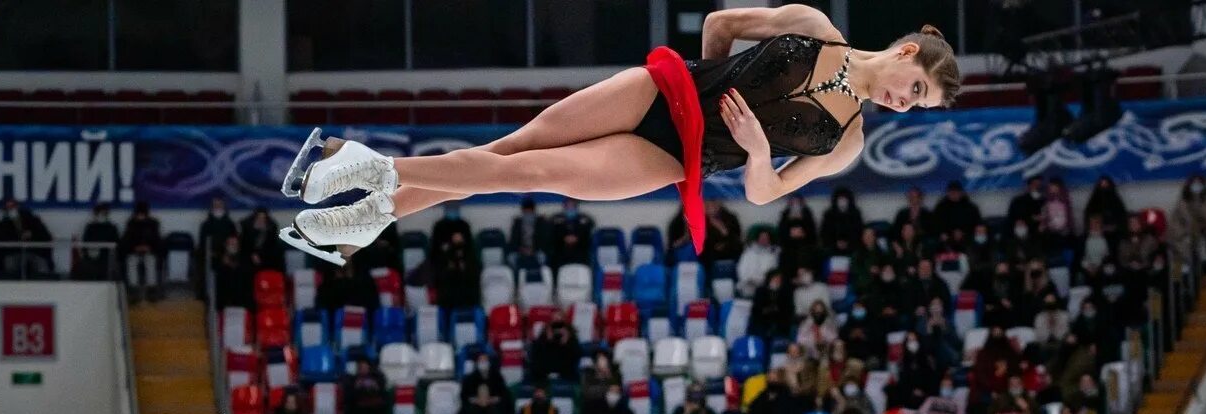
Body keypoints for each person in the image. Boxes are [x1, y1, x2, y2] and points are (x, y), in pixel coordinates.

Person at [277, 13, 960, 261]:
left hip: (671, 154)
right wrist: (708, 80)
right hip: (664, 90)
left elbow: (764, 193)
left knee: (521, 174)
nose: (907, 104)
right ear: (906, 55)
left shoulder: (848, 141)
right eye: (918, 90)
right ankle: (367, 218)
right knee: (508, 150)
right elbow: (722, 26)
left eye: (918, 107)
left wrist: (754, 151)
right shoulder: (813, 25)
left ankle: (361, 171)